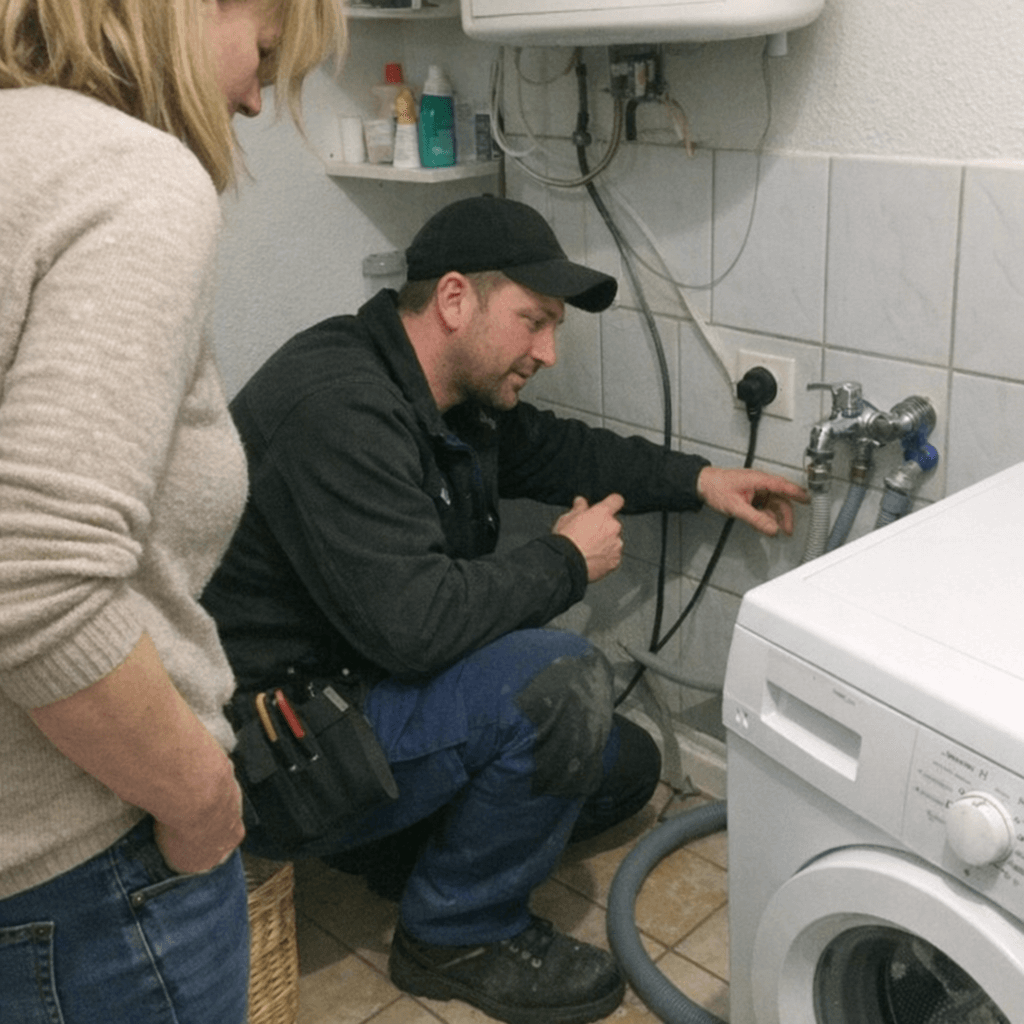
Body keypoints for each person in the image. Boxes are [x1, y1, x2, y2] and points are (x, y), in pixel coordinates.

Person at [201, 195, 807, 1024]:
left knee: (618, 767)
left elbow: (562, 450)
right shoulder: (340, 406)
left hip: (355, 688)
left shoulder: (439, 390)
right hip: (281, 748)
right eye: (535, 321)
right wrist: (565, 560)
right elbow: (418, 629)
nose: (549, 352)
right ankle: (454, 934)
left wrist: (704, 480)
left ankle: (395, 848)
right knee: (559, 683)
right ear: (455, 299)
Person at [0, 2, 343, 1022]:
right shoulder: (129, 172)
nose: (251, 99)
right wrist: (202, 803)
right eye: (268, 55)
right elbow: (35, 581)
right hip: (81, 872)